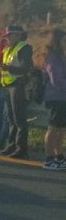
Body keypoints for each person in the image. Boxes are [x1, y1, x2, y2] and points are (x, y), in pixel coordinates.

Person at [0, 24, 33, 159]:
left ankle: (21, 148)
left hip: (19, 86)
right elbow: (2, 70)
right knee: (11, 118)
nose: (7, 39)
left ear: (17, 35)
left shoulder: (24, 48)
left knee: (19, 119)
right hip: (8, 86)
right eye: (6, 36)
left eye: (9, 36)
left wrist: (9, 68)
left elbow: (26, 68)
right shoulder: (7, 50)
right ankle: (11, 144)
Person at [42, 28, 66, 170]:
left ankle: (59, 156)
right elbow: (56, 80)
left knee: (60, 129)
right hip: (55, 97)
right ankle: (49, 158)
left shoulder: (61, 56)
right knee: (53, 128)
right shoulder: (52, 57)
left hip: (62, 98)